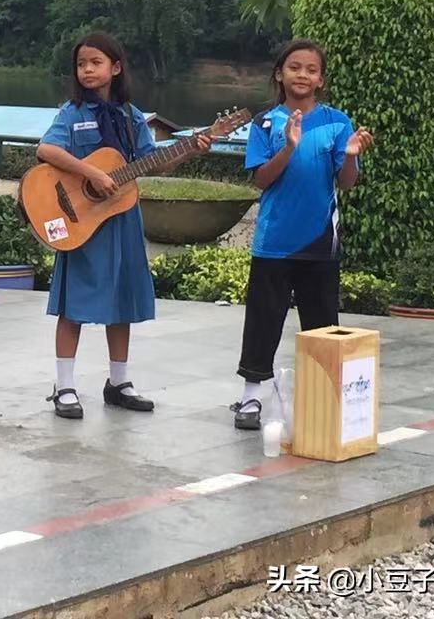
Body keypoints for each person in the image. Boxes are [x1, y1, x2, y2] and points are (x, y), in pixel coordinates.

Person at [37, 32, 212, 420]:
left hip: (122, 220)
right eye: (81, 64)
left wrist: (190, 150)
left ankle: (119, 382)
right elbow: (46, 149)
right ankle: (64, 385)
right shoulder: (72, 113)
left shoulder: (131, 117)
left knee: (123, 300)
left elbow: (152, 162)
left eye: (95, 63)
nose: (87, 70)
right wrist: (90, 175)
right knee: (74, 304)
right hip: (84, 222)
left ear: (115, 68)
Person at [230, 39, 374, 431]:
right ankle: (251, 398)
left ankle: (323, 398)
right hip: (274, 241)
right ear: (280, 73)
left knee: (323, 324)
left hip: (320, 244)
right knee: (263, 319)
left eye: (311, 70)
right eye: (295, 67)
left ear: (320, 79)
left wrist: (348, 155)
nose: (302, 75)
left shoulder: (336, 122)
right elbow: (262, 178)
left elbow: (347, 183)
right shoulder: (265, 124)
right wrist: (288, 147)